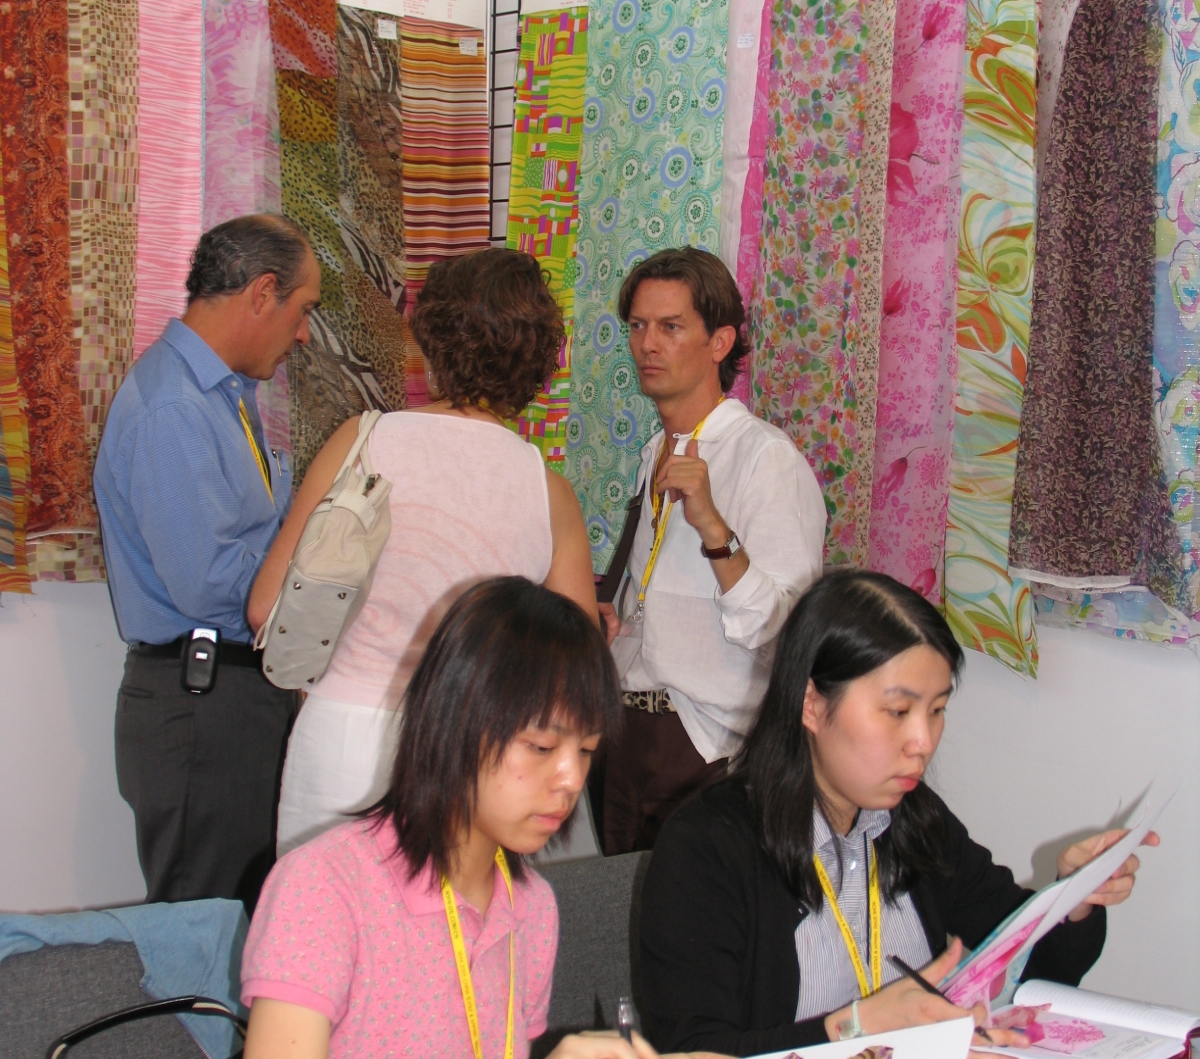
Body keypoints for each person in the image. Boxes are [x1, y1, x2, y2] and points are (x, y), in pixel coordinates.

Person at [172, 578, 732, 1059]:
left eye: (586, 750)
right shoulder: (325, 885)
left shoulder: (530, 908)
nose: (569, 779)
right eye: (541, 745)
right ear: (456, 723)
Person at [640, 570, 1156, 1059]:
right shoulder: (708, 845)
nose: (923, 742)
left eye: (937, 710)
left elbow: (1035, 966)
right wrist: (855, 1031)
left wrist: (1073, 897)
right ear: (811, 704)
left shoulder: (913, 820)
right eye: (897, 711)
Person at [250, 247, 598, 856]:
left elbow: (264, 609)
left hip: (342, 738)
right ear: (538, 361)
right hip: (470, 752)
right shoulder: (547, 491)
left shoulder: (360, 442)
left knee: (321, 912)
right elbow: (575, 665)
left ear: (432, 339)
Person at [94, 215, 322, 910]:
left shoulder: (224, 399)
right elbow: (211, 584)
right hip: (205, 707)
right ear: (262, 292)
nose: (303, 334)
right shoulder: (174, 409)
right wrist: (322, 575)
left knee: (251, 930)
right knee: (206, 937)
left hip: (234, 700)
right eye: (303, 309)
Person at [596, 247, 826, 855]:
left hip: (707, 750)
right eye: (638, 326)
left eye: (671, 327)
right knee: (621, 908)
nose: (647, 345)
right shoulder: (655, 452)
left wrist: (715, 531)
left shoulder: (765, 459)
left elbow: (787, 633)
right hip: (625, 734)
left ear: (720, 342)